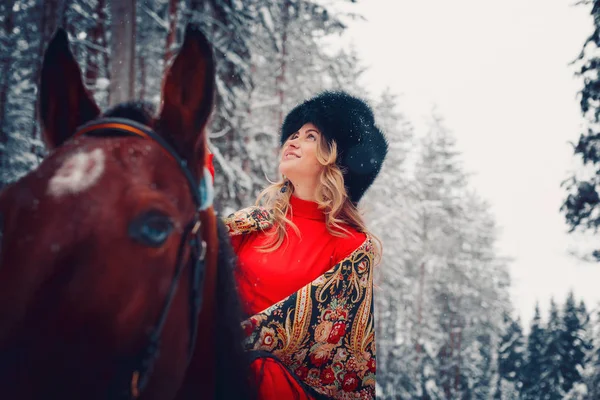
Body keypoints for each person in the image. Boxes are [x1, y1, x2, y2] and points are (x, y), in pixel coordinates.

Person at [223, 91, 388, 399]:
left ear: (336, 159)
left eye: (310, 136)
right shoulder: (250, 224)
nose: (293, 141)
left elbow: (342, 365)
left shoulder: (351, 247)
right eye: (293, 134)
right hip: (212, 374)